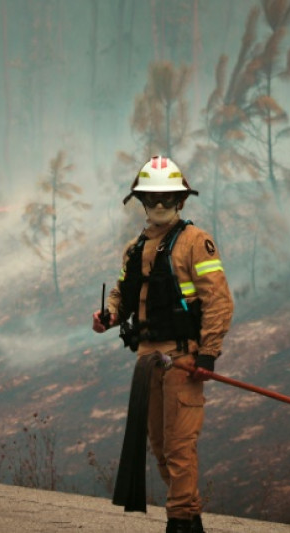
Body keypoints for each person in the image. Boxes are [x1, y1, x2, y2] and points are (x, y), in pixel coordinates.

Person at [92, 155, 234, 533]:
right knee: (160, 450)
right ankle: (190, 518)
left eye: (166, 198)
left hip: (183, 360)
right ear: (140, 201)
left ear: (181, 201)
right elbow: (124, 296)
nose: (158, 206)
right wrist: (108, 316)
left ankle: (180, 522)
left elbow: (219, 302)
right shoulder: (134, 249)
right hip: (147, 363)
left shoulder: (195, 243)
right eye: (151, 198)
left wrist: (207, 354)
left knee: (179, 448)